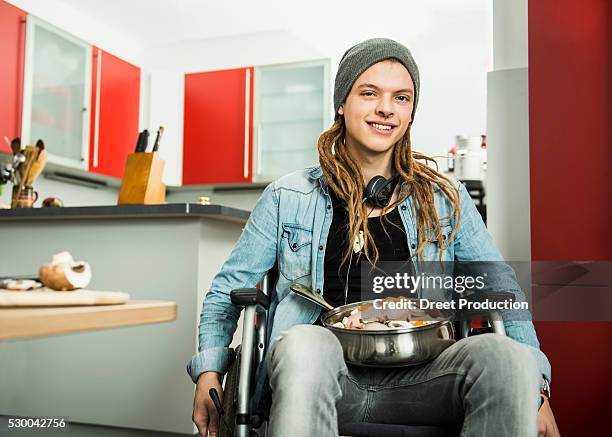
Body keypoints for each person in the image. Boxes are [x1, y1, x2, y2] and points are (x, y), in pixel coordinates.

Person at [189, 38, 560, 437]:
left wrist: (534, 390)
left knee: (508, 359)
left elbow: (500, 288)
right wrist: (209, 370)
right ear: (341, 104)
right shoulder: (287, 197)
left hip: (426, 378)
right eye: (369, 93)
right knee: (303, 344)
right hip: (320, 376)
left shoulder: (444, 199)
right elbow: (228, 288)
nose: (386, 108)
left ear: (411, 111)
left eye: (401, 97)